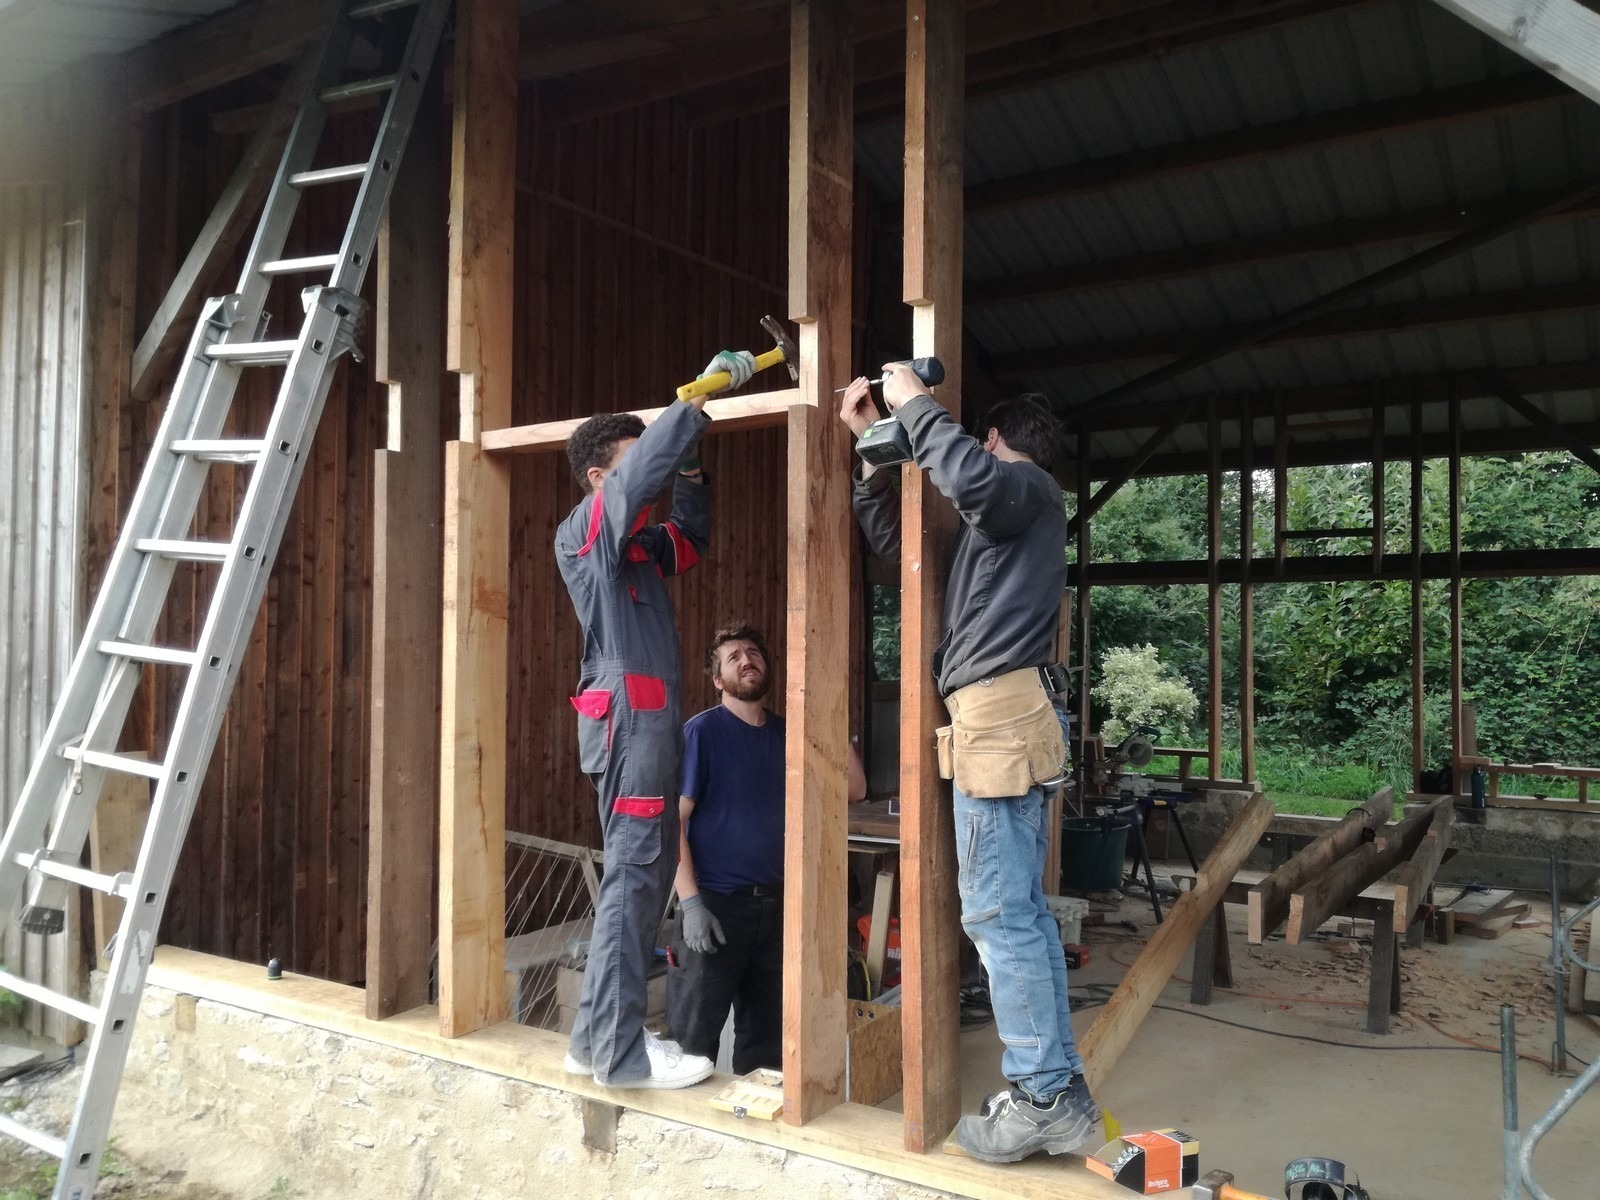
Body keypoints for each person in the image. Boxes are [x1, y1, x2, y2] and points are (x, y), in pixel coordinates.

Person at [839, 365, 1097, 1162]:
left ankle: (1042, 1097)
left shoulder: (1025, 492)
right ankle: (1060, 1088)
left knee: (995, 916)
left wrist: (916, 402)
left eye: (972, 445)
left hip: (997, 718)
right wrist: (867, 447)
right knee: (1016, 911)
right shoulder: (998, 527)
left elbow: (974, 481)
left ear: (993, 440)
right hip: (999, 718)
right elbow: (899, 544)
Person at [556, 348, 755, 1090]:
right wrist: (695, 401)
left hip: (642, 725)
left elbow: (691, 540)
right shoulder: (584, 530)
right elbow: (642, 475)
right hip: (630, 725)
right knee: (637, 881)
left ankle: (593, 1042)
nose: (655, 476)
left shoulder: (632, 550)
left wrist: (695, 469)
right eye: (637, 464)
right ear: (599, 480)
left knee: (638, 878)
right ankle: (619, 1053)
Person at [667, 624, 866, 1074]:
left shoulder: (789, 733)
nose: (746, 659)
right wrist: (691, 902)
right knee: (692, 1039)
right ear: (718, 680)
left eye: (753, 652)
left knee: (768, 1046)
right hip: (716, 908)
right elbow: (671, 824)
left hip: (777, 907)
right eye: (733, 656)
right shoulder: (701, 733)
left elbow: (854, 788)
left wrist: (832, 717)